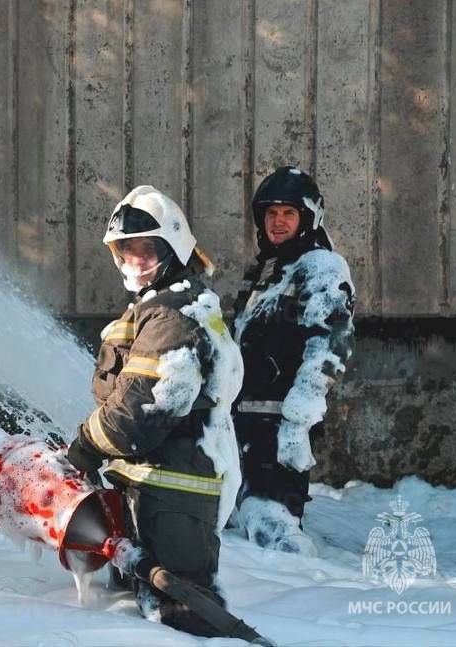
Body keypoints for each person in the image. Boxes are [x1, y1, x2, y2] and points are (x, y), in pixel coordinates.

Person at [65, 186, 242, 637]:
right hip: (149, 492)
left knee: (181, 620)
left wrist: (84, 448)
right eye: (126, 250)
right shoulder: (157, 306)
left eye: (147, 249)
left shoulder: (173, 316)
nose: (135, 260)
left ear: (173, 247)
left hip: (173, 499)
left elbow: (140, 408)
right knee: (139, 618)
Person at [230, 166, 354, 556]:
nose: (278, 222)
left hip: (278, 424)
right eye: (271, 214)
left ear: (308, 218)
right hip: (241, 422)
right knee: (240, 521)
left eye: (288, 213)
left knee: (272, 522)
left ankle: (302, 600)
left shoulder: (320, 267)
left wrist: (298, 419)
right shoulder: (266, 271)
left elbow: (331, 344)